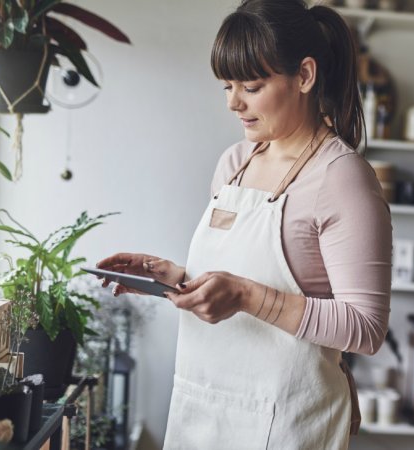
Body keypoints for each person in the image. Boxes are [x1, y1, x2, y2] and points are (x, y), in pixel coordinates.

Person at [95, 1, 392, 448]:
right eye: (227, 86)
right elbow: (239, 281)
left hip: (287, 423)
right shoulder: (235, 163)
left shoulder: (341, 177)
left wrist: (247, 296)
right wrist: (175, 279)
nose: (234, 103)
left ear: (305, 76)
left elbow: (365, 327)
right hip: (202, 411)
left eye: (251, 86)